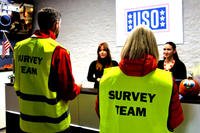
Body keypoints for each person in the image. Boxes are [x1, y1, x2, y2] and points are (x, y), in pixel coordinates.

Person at [98, 26, 184, 133]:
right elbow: (175, 121)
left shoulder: (107, 77)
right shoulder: (166, 80)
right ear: (153, 47)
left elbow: (101, 112)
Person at [13, 7, 81, 133]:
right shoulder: (59, 51)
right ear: (56, 25)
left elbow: (17, 79)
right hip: (53, 125)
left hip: (26, 123)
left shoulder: (19, 47)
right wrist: (78, 88)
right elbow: (68, 91)